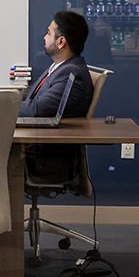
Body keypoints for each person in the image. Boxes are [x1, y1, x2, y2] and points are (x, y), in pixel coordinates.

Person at [19, 11, 96, 183]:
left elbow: (36, 110)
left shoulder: (72, 74)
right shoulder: (59, 67)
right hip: (35, 146)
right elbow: (33, 102)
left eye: (48, 33)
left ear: (61, 42)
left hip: (45, 157)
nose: (44, 37)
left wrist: (0, 106)